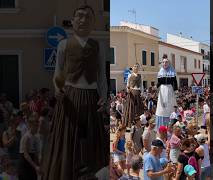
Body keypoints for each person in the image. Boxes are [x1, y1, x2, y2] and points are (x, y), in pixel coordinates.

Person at [41, 5, 108, 180]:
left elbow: (102, 76)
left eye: (88, 17)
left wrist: (104, 98)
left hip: (92, 97)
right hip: (70, 97)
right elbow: (58, 72)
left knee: (91, 140)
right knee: (67, 139)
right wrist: (58, 90)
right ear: (72, 21)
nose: (83, 20)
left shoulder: (98, 46)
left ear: (93, 23)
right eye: (79, 16)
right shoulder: (63, 44)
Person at [155, 54, 178, 130]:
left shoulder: (172, 71)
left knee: (169, 106)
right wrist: (156, 86)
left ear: (169, 63)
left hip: (169, 89)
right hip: (162, 90)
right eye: (163, 62)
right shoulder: (160, 71)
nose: (165, 64)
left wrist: (176, 90)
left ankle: (170, 124)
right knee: (161, 106)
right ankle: (160, 125)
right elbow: (159, 82)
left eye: (166, 62)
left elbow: (175, 82)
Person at [18, 113, 41, 180]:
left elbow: (35, 153)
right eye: (36, 125)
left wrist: (38, 166)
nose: (37, 127)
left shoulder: (36, 137)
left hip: (31, 165)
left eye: (38, 125)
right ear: (31, 125)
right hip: (25, 165)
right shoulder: (26, 137)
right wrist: (35, 166)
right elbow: (26, 155)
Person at [123, 63, 144, 128]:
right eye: (135, 66)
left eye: (137, 67)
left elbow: (141, 85)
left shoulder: (140, 76)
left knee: (138, 109)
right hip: (131, 93)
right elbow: (127, 84)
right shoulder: (130, 75)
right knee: (131, 109)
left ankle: (138, 123)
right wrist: (128, 90)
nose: (136, 68)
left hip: (138, 93)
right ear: (133, 68)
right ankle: (129, 123)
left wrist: (142, 92)